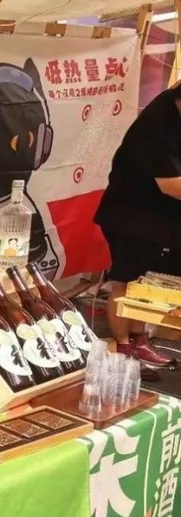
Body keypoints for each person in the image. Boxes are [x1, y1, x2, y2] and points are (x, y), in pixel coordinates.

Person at [95, 83, 181, 369]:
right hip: (130, 215)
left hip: (157, 217)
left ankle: (140, 340)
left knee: (145, 283)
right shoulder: (157, 126)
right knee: (126, 281)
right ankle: (123, 347)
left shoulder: (174, 113)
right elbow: (171, 184)